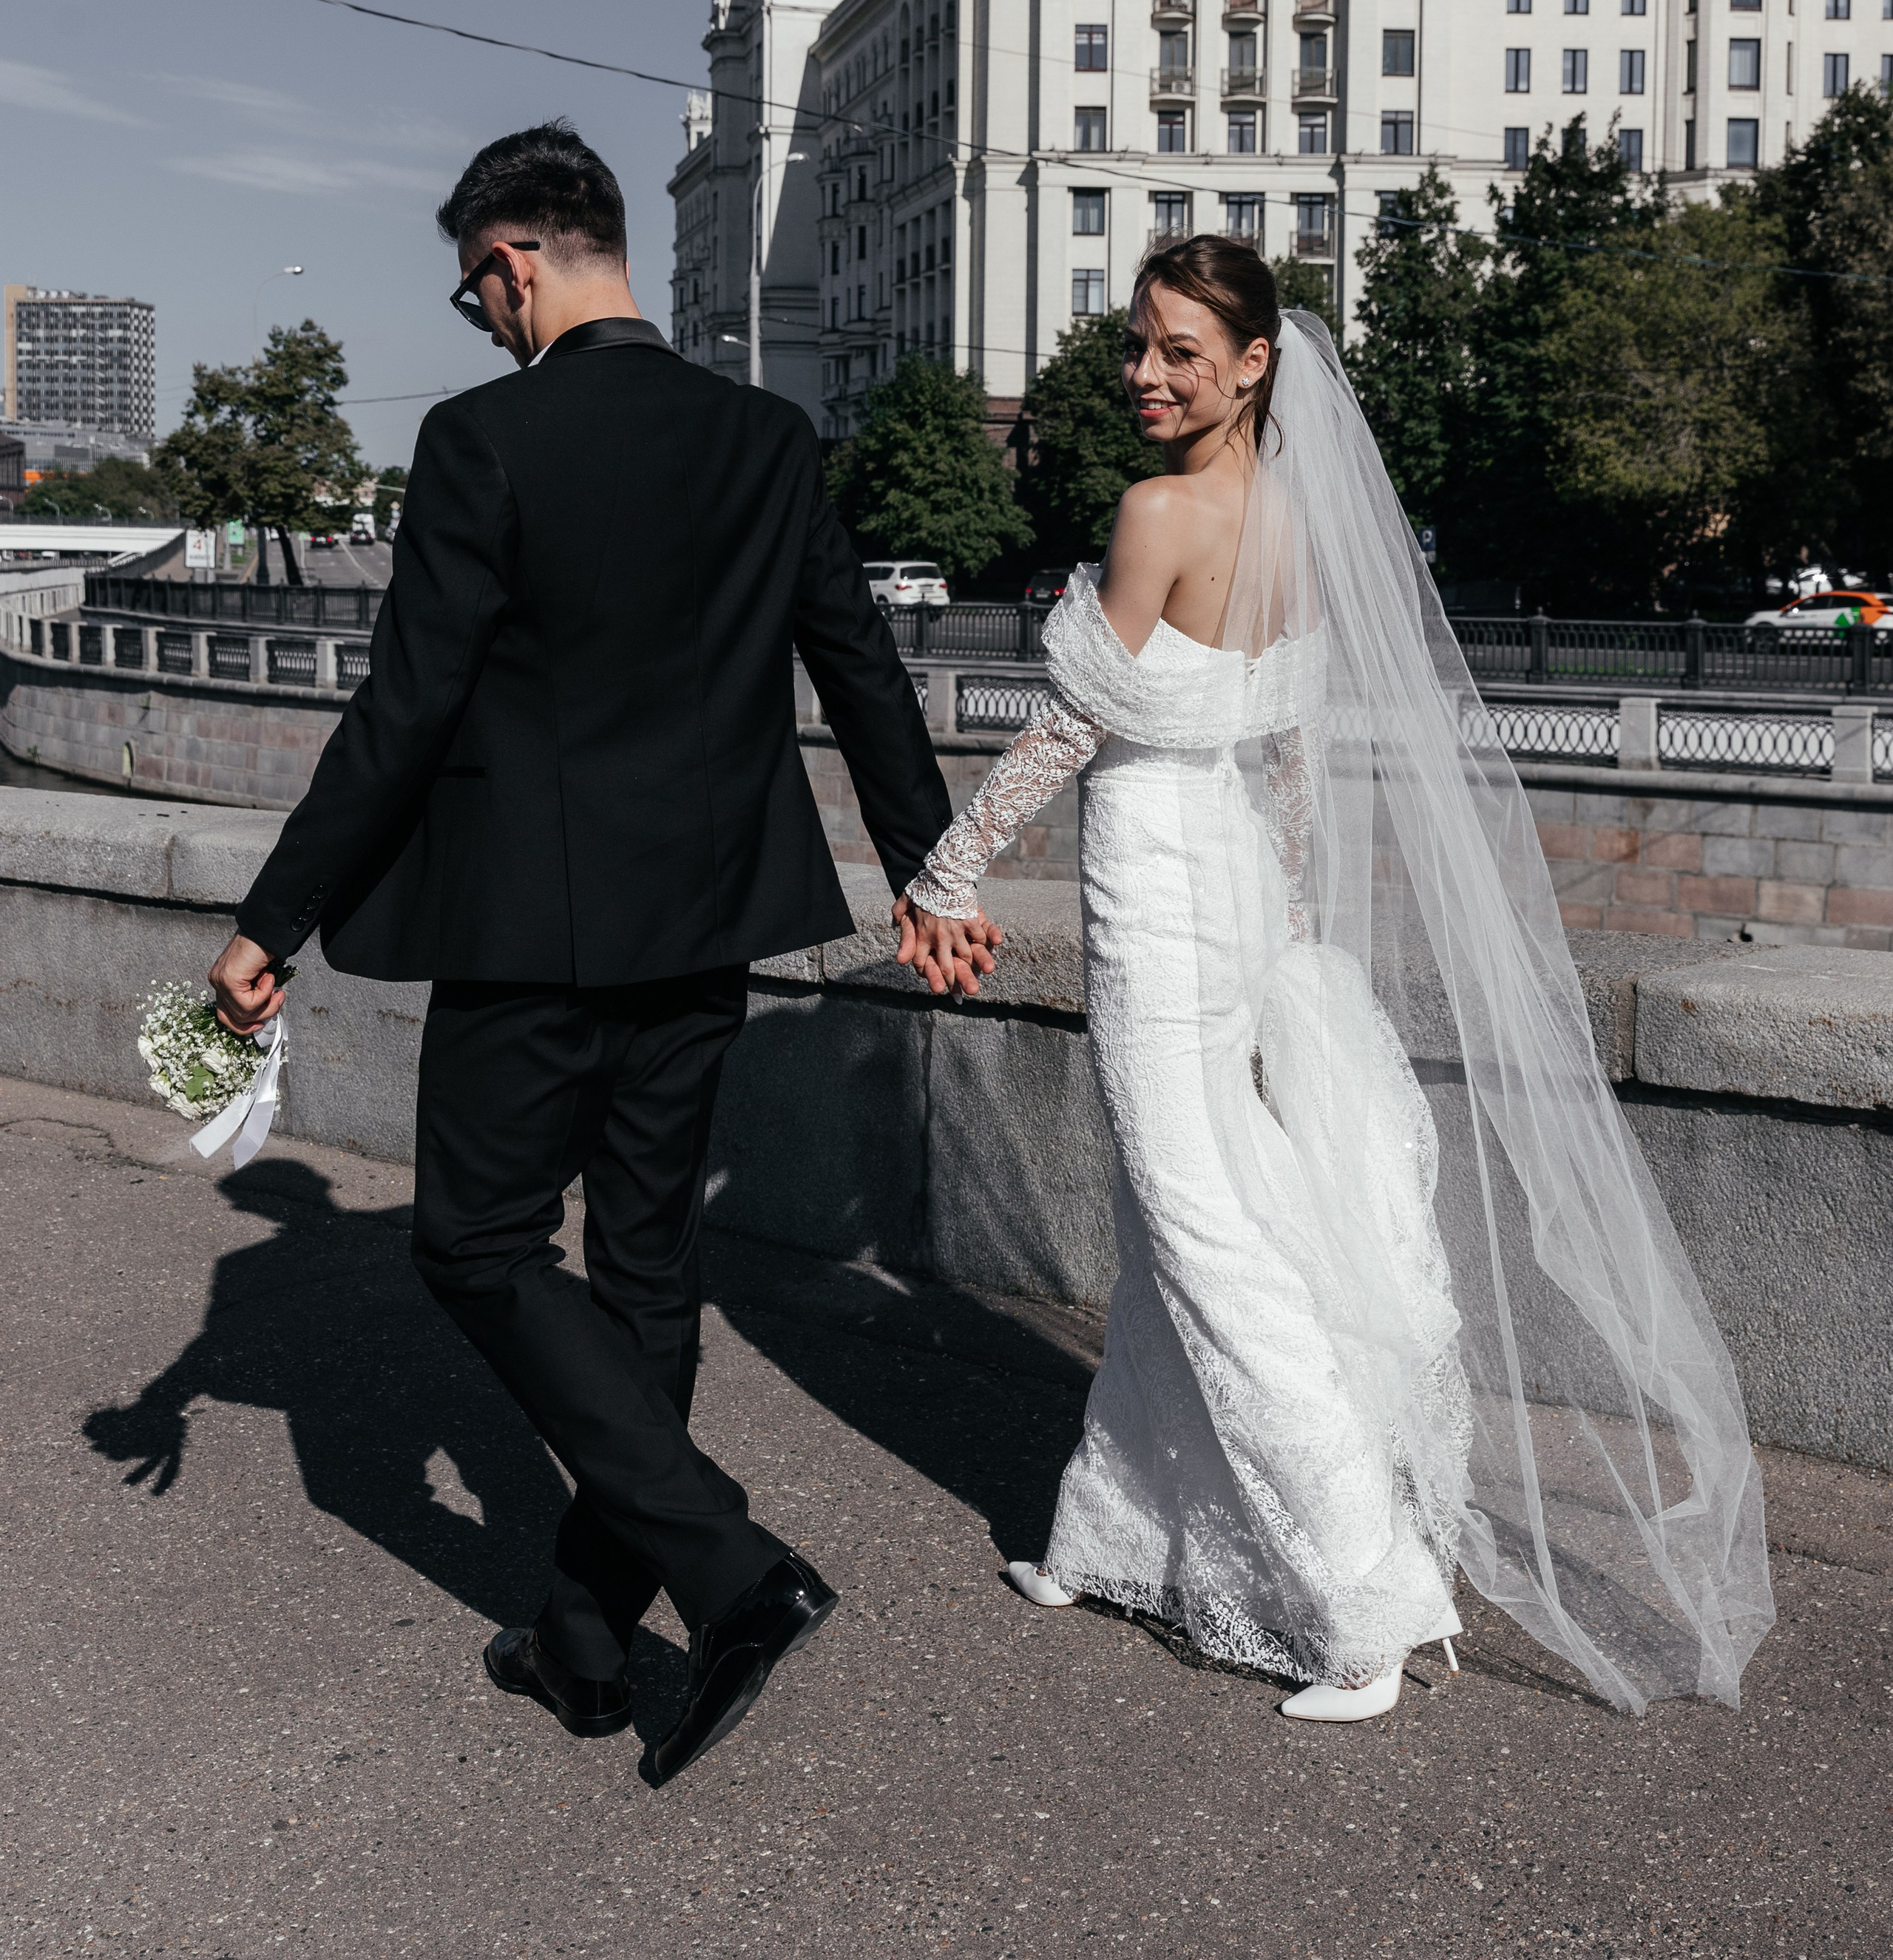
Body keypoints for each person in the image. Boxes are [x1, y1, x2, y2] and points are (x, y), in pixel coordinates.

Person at [898, 237, 1773, 1723]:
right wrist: (1291, 911)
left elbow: (1065, 729)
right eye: (1136, 347)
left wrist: (945, 872)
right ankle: (1108, 1527)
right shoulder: (1304, 522)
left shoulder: (1154, 511)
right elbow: (1292, 754)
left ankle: (1363, 1595)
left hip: (1164, 890)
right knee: (1173, 1212)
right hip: (1238, 883)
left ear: (1251, 365)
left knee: (1203, 1234)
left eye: (1179, 351)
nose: (1145, 376)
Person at [210, 120, 989, 1786]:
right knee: (645, 1269)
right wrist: (934, 873)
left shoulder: (482, 443)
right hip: (710, 914)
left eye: (472, 288)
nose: (477, 320)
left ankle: (727, 1570)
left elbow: (407, 708)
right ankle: (578, 1640)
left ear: (511, 259)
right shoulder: (766, 438)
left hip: (537, 928)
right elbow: (858, 670)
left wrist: (274, 918)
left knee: (477, 1244)